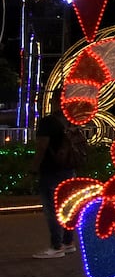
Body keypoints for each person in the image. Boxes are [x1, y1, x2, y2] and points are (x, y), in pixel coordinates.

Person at [30, 108, 77, 259]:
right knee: (67, 207)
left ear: (56, 101)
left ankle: (57, 246)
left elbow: (42, 146)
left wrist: (33, 168)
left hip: (51, 171)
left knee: (52, 209)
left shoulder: (48, 122)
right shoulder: (71, 121)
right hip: (69, 169)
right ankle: (68, 242)